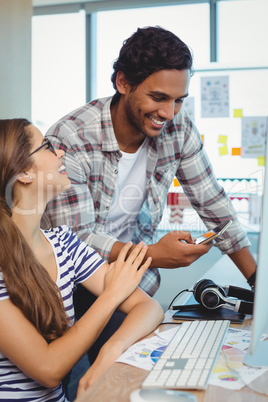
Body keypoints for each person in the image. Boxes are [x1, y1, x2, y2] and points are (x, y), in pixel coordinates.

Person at [41, 26, 256, 297]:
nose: (168, 113)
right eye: (158, 98)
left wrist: (257, 282)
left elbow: (212, 202)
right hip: (71, 289)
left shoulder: (178, 127)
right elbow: (75, 242)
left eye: (179, 100)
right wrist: (152, 255)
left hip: (134, 286)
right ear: (123, 83)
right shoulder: (71, 139)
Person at [0, 118, 164, 401]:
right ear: (24, 173)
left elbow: (149, 307)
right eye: (48, 147)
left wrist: (108, 353)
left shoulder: (64, 243)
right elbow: (49, 368)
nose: (61, 153)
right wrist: (111, 296)